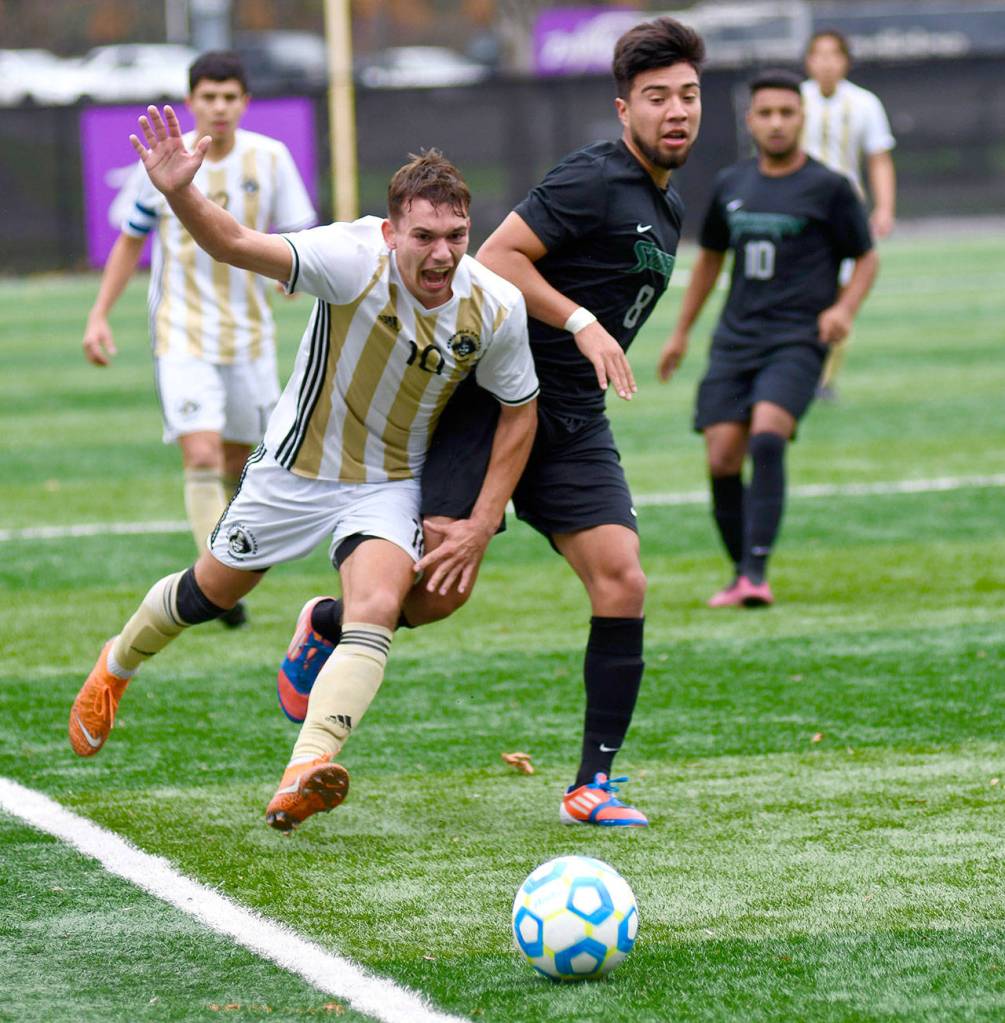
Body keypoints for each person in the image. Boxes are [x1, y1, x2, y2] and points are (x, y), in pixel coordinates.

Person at [277, 17, 706, 828]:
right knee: (436, 594)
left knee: (623, 579)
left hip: (573, 423)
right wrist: (580, 320)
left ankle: (592, 785)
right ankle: (327, 622)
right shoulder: (592, 178)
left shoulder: (668, 202)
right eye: (657, 97)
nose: (675, 110)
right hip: (492, 409)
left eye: (687, 95)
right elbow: (498, 258)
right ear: (624, 109)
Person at [69, 109, 539, 835]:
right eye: (423, 237)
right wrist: (180, 193)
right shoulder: (352, 256)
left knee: (378, 606)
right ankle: (117, 663)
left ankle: (304, 768)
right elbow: (232, 241)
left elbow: (520, 410)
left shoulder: (494, 306)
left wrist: (480, 521)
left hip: (387, 482)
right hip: (293, 468)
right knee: (209, 591)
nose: (441, 255)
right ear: (391, 234)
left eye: (455, 236)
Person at [81, 51, 317, 627]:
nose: (219, 106)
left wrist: (296, 272)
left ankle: (222, 564)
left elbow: (297, 235)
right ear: (192, 102)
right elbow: (130, 240)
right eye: (208, 96)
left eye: (229, 96)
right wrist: (99, 314)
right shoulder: (164, 160)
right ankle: (215, 584)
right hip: (181, 333)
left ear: (244, 103)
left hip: (251, 338)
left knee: (238, 461)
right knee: (202, 453)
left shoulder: (272, 157)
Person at [657, 69, 878, 607]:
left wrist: (844, 308)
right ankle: (742, 573)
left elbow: (866, 255)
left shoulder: (830, 188)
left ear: (802, 118)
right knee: (722, 458)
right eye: (767, 114)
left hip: (798, 339)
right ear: (750, 120)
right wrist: (681, 332)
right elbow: (710, 259)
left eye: (787, 113)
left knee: (767, 435)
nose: (777, 123)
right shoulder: (732, 184)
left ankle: (756, 573)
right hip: (736, 339)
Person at [801, 29, 896, 398]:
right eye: (818, 55)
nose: (826, 62)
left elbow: (879, 158)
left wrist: (884, 208)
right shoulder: (796, 100)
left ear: (845, 60)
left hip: (844, 214)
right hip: (803, 212)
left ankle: (824, 379)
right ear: (809, 61)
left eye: (833, 54)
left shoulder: (865, 103)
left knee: (842, 295)